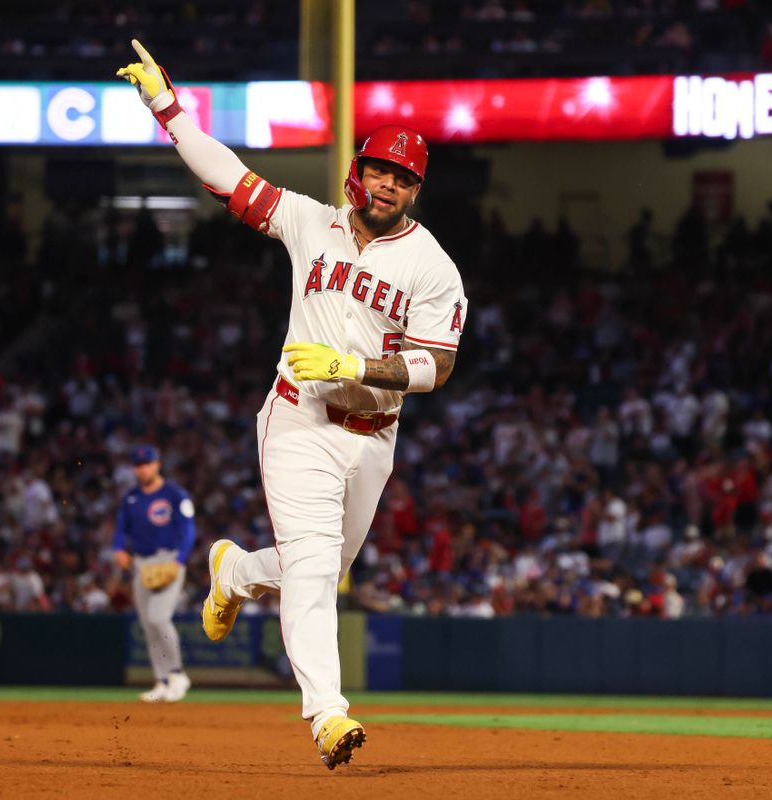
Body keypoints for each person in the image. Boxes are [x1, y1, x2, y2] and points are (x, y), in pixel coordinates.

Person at [117, 41, 467, 768]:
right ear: (357, 170)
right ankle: (328, 717)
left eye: (402, 177)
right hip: (299, 417)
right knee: (312, 567)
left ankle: (236, 572)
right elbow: (231, 180)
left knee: (325, 564)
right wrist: (168, 108)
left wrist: (355, 365)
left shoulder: (433, 266)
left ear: (415, 190)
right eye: (378, 168)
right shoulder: (312, 221)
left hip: (374, 433)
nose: (386, 183)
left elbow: (437, 366)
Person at [111, 444, 197, 703]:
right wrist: (118, 550)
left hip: (168, 559)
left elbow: (189, 530)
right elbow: (120, 530)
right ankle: (161, 681)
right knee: (149, 626)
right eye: (138, 465)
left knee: (159, 618)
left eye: (146, 463)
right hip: (141, 563)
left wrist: (179, 562)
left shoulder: (174, 494)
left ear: (157, 463)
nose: (143, 468)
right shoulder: (131, 498)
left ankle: (178, 674)